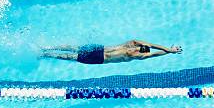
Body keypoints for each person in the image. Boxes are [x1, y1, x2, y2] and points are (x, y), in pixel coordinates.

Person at [41, 40, 182, 65]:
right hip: (99, 49)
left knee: (69, 56)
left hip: (99, 59)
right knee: (73, 48)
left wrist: (169, 52)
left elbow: (153, 53)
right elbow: (152, 46)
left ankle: (45, 54)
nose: (136, 49)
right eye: (140, 47)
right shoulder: (132, 42)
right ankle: (47, 47)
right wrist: (168, 48)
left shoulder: (138, 55)